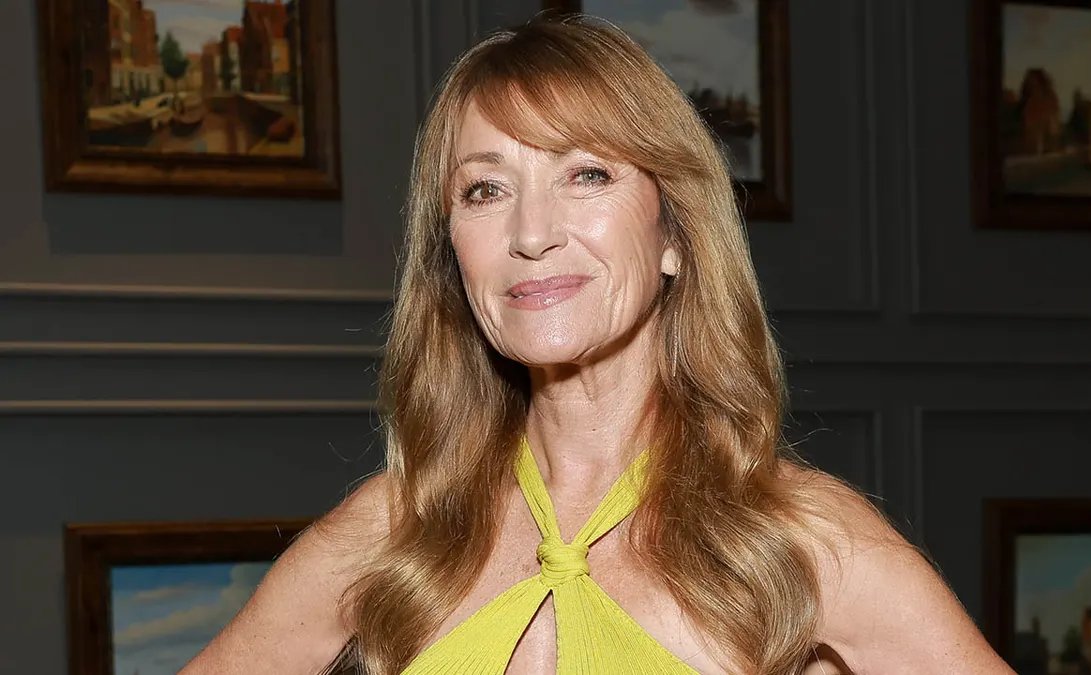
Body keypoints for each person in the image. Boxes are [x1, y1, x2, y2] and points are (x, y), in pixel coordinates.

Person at [182, 14, 1015, 675]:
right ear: (453, 254)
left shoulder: (799, 540)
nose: (531, 232)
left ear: (674, 234)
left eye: (587, 174)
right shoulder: (395, 530)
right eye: (485, 189)